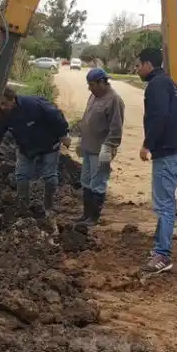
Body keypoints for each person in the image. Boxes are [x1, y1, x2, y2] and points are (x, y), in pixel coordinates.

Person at [137, 47, 177, 274]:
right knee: (164, 202)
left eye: (138, 65)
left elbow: (160, 116)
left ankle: (163, 255)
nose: (137, 69)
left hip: (168, 153)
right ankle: (159, 248)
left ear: (148, 64)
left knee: (164, 204)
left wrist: (147, 144)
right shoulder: (171, 84)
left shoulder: (156, 85)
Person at [0, 86, 71, 215]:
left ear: (13, 99)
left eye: (4, 104)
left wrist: (63, 134)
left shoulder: (32, 104)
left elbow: (55, 115)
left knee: (49, 177)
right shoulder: (3, 115)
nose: (2, 108)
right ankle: (23, 208)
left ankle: (48, 207)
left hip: (48, 144)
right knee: (21, 176)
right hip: (26, 148)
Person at [75, 67, 125, 231]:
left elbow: (116, 128)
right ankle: (86, 214)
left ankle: (93, 217)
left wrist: (109, 148)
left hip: (102, 150)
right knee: (86, 180)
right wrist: (81, 141)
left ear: (102, 82)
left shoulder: (114, 100)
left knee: (98, 182)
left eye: (91, 84)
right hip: (89, 147)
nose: (89, 88)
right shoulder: (93, 96)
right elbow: (86, 119)